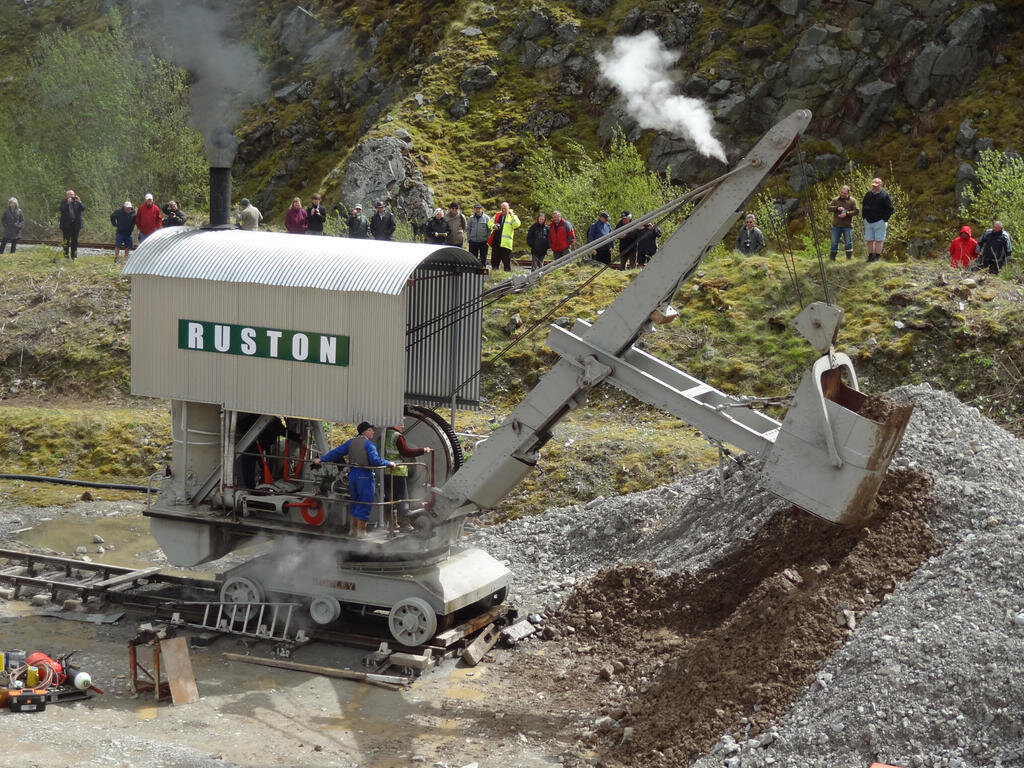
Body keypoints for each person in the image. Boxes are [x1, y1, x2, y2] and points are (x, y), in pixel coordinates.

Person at [312, 422, 395, 538]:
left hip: (353, 475)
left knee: (354, 502)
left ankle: (352, 530)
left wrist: (322, 459)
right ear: (365, 431)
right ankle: (362, 532)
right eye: (371, 430)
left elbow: (336, 452)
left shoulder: (351, 442)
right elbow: (375, 460)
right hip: (365, 475)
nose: (373, 432)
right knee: (365, 502)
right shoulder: (369, 445)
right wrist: (389, 463)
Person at [382, 423, 432, 532]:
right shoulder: (397, 436)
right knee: (402, 498)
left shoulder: (385, 434)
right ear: (396, 423)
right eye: (401, 424)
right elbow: (405, 452)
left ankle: (391, 523)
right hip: (398, 471)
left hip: (386, 471)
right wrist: (423, 450)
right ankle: (404, 524)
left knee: (390, 498)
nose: (403, 426)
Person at [862, 177, 894, 262]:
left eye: (876, 185)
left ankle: (877, 258)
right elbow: (863, 206)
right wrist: (864, 218)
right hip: (868, 221)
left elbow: (890, 209)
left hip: (880, 222)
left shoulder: (885, 195)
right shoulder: (868, 194)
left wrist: (884, 220)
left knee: (879, 241)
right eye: (873, 185)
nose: (874, 187)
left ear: (880, 185)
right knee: (869, 240)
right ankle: (870, 257)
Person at [827, 185, 859, 261]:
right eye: (841, 192)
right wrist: (836, 208)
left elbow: (857, 211)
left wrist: (847, 214)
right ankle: (832, 259)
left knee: (848, 242)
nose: (842, 194)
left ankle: (849, 259)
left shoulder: (852, 201)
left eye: (844, 193)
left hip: (847, 226)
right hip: (836, 225)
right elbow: (828, 207)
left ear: (848, 193)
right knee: (834, 242)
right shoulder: (835, 200)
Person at [489, 201, 521, 271]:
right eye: (502, 208)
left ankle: (507, 277)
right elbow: (489, 222)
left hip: (506, 244)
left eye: (505, 208)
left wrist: (512, 216)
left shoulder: (512, 216)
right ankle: (495, 275)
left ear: (508, 208)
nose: (503, 210)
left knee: (506, 263)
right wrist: (493, 226)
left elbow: (517, 225)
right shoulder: (497, 215)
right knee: (494, 262)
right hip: (496, 242)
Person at [59, 189, 85, 259]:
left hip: (76, 225)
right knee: (66, 241)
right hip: (66, 225)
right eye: (70, 195)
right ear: (67, 195)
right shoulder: (64, 202)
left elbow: (83, 208)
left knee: (75, 241)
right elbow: (61, 209)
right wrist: (67, 203)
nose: (71, 196)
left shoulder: (77, 202)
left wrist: (80, 202)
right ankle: (66, 256)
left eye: (72, 194)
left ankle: (74, 256)